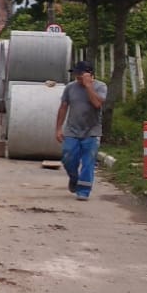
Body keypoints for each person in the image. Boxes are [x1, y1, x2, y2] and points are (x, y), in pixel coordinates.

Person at [54, 60, 107, 201]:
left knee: (88, 161)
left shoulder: (100, 86)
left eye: (80, 74)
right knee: (67, 157)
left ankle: (83, 191)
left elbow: (97, 103)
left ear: (89, 74)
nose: (77, 77)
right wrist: (58, 128)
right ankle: (74, 178)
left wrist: (88, 86)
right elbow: (63, 107)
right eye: (76, 75)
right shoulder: (70, 88)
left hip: (92, 131)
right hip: (72, 130)